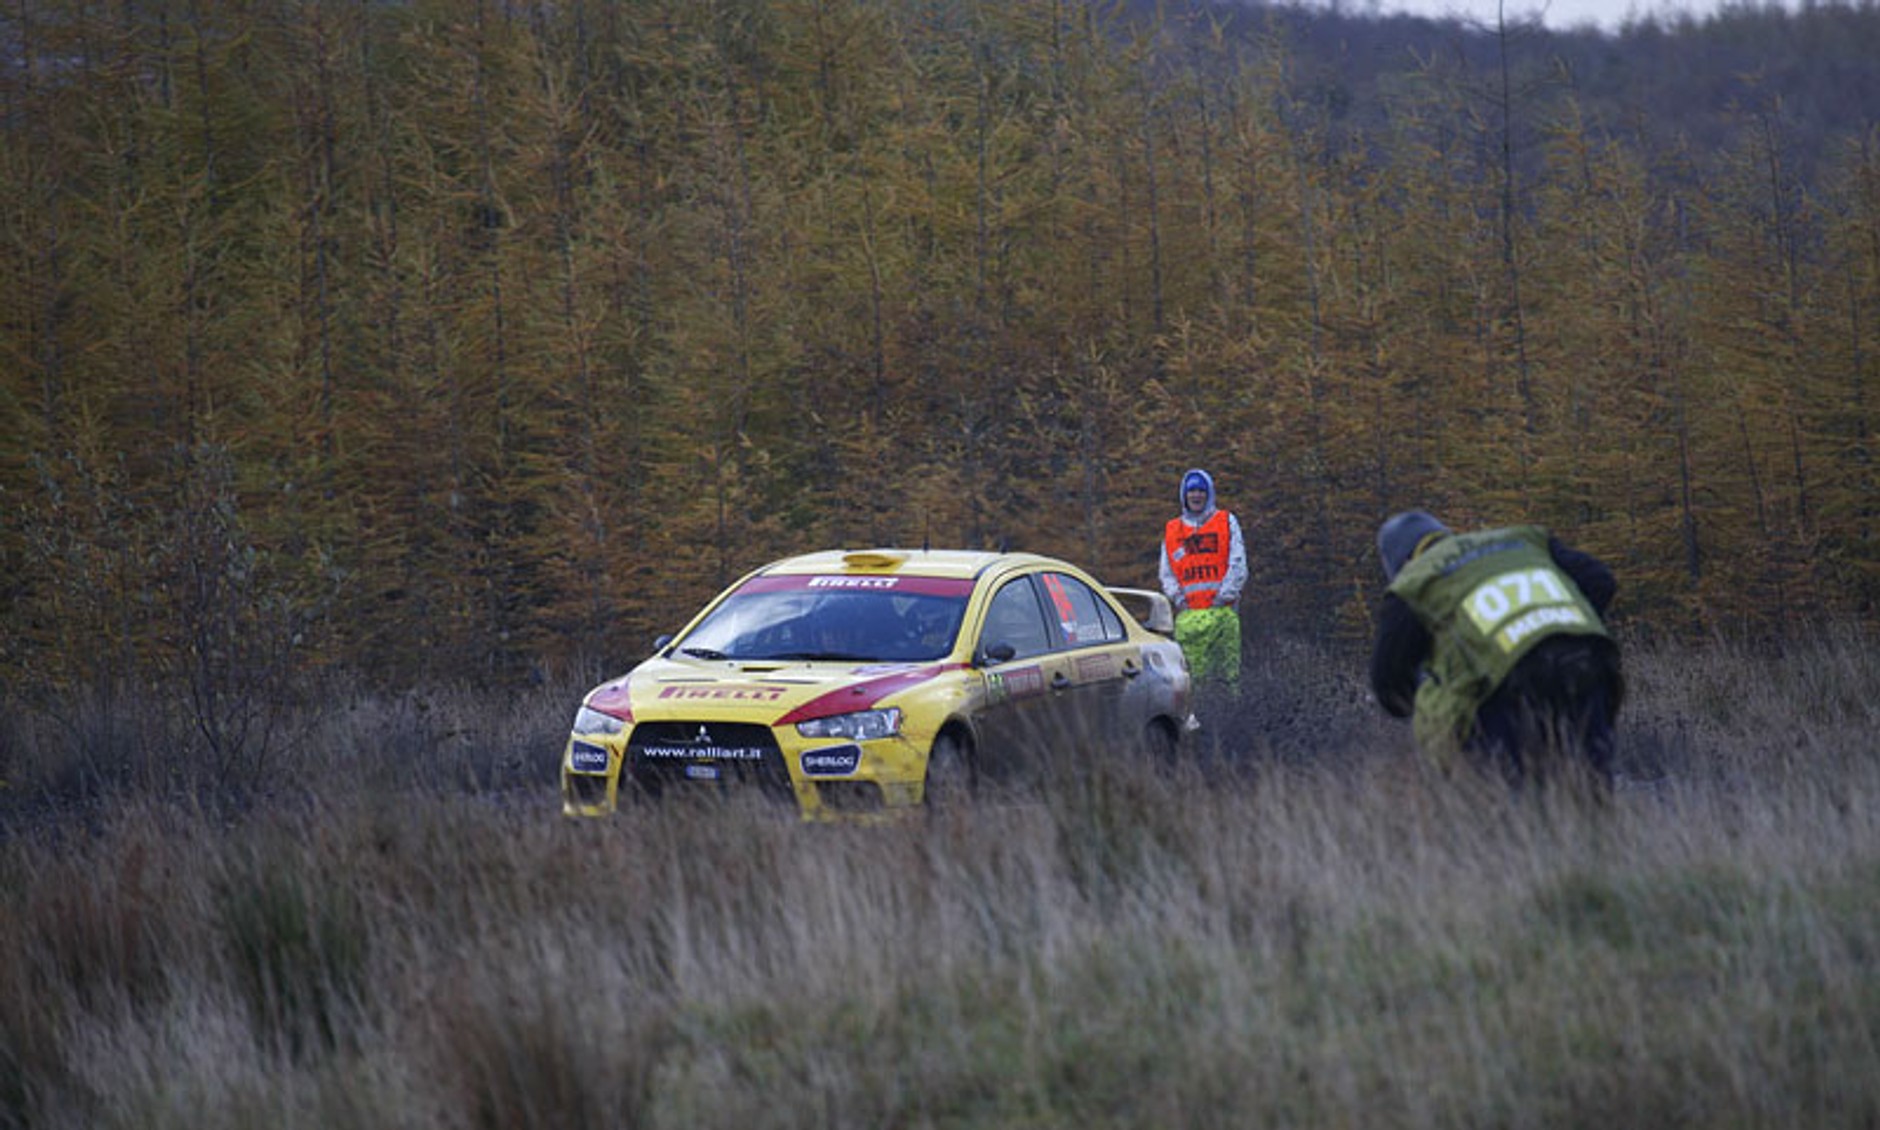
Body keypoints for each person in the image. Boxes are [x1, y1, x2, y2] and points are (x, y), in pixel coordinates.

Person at [1369, 510, 1625, 793]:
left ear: (1402, 563)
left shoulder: (1416, 580)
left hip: (1506, 688)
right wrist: (1557, 625)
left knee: (1509, 807)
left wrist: (1445, 678)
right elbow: (1601, 581)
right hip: (1587, 663)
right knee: (1591, 794)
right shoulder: (1522, 540)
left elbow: (1389, 683)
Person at [1160, 468, 1248, 690]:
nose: (1196, 495)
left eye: (1201, 490)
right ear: (1184, 495)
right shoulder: (1172, 530)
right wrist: (1179, 600)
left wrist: (1224, 596)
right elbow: (1166, 571)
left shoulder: (1225, 521)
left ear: (1209, 494)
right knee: (1194, 682)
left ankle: (1232, 718)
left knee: (1227, 678)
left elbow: (1237, 562)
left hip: (1222, 614)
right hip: (1188, 618)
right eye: (1192, 491)